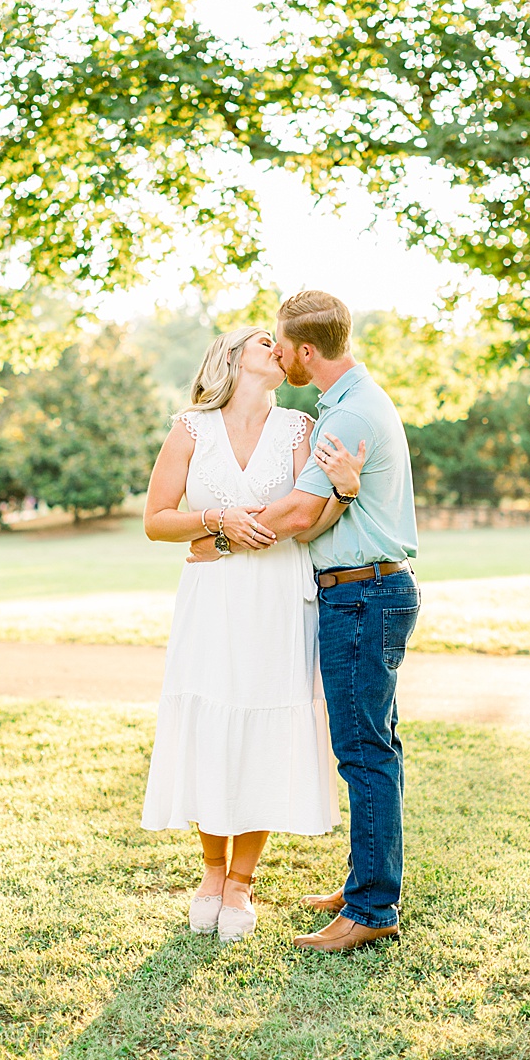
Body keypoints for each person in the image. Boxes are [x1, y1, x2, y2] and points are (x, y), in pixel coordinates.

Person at [186, 290, 420, 953]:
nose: (277, 351)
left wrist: (217, 539)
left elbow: (291, 517)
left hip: (362, 595)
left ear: (305, 352)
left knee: (364, 753)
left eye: (281, 343)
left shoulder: (348, 418)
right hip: (363, 592)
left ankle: (373, 910)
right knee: (375, 746)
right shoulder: (346, 405)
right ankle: (366, 883)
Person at [139, 324, 365, 943]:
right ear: (231, 358)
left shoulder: (298, 428)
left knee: (267, 725)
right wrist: (215, 523)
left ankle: (241, 882)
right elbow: (157, 520)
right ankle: (211, 874)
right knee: (213, 725)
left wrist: (343, 492)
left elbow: (309, 517)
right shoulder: (190, 429)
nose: (277, 346)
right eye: (263, 340)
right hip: (211, 601)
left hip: (276, 598)